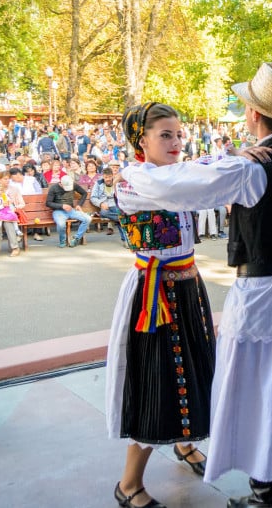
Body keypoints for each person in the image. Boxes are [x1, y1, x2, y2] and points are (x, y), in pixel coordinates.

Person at [153, 63, 272, 507]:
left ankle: (263, 486)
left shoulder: (252, 168)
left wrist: (226, 161)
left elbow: (183, 189)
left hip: (266, 288)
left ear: (254, 113)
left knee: (256, 383)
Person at [107, 102, 235, 508]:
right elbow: (191, 184)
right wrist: (235, 159)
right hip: (154, 294)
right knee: (157, 382)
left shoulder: (174, 174)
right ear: (140, 141)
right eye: (165, 135)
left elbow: (200, 180)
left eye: (179, 134)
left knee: (194, 371)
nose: (177, 142)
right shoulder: (134, 180)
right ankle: (129, 485)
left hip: (187, 286)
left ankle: (183, 444)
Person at [46, 176, 91, 247]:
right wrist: (62, 206)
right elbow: (48, 203)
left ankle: (77, 238)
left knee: (87, 219)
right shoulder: (53, 188)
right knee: (61, 224)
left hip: (71, 210)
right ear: (61, 183)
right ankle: (62, 240)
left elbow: (84, 193)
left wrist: (79, 205)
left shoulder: (73, 184)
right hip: (58, 211)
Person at [0, 180, 21, 257]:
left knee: (8, 224)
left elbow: (10, 204)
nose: (0, 192)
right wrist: (2, 205)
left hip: (6, 213)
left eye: (1, 190)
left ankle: (15, 247)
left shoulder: (4, 196)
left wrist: (11, 208)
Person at [91, 167, 125, 240]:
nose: (108, 179)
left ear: (112, 176)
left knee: (119, 214)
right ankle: (121, 219)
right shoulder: (98, 183)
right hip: (105, 206)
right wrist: (100, 204)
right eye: (106, 177)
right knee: (104, 213)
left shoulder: (117, 182)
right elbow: (93, 197)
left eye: (109, 177)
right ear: (103, 176)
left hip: (115, 205)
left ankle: (124, 238)